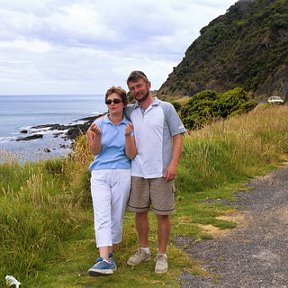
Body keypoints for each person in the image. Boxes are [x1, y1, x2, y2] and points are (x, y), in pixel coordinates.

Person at [125, 71, 186, 273]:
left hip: (161, 171)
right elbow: (112, 116)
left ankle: (162, 254)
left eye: (139, 86)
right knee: (140, 213)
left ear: (148, 84)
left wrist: (173, 164)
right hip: (137, 172)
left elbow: (178, 136)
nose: (136, 91)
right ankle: (144, 250)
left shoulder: (166, 108)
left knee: (162, 215)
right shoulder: (130, 111)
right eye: (132, 88)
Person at [86, 86, 137, 276]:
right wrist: (97, 136)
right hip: (100, 173)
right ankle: (104, 259)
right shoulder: (97, 124)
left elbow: (131, 154)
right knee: (102, 215)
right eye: (108, 101)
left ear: (124, 103)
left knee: (116, 217)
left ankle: (110, 256)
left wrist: (128, 136)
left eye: (116, 101)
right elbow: (95, 151)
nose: (112, 104)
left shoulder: (130, 126)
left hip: (122, 172)